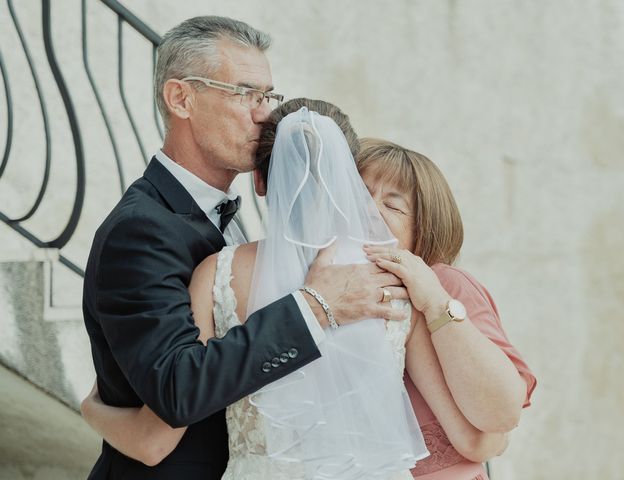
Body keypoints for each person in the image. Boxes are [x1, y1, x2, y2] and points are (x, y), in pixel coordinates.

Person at [82, 99, 536, 479]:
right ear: (347, 183)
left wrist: (93, 408)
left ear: (260, 181)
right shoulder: (391, 283)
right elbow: (479, 434)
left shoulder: (215, 274)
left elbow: (156, 439)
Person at [82, 17, 408, 480]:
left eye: (269, 96)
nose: (265, 114)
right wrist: (314, 307)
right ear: (182, 99)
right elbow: (177, 388)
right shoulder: (140, 229)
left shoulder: (240, 227)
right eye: (246, 94)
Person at [357, 139, 537, 479]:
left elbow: (498, 417)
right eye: (360, 194)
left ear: (422, 229)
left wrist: (434, 300)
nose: (370, 210)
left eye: (393, 206)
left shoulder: (444, 283)